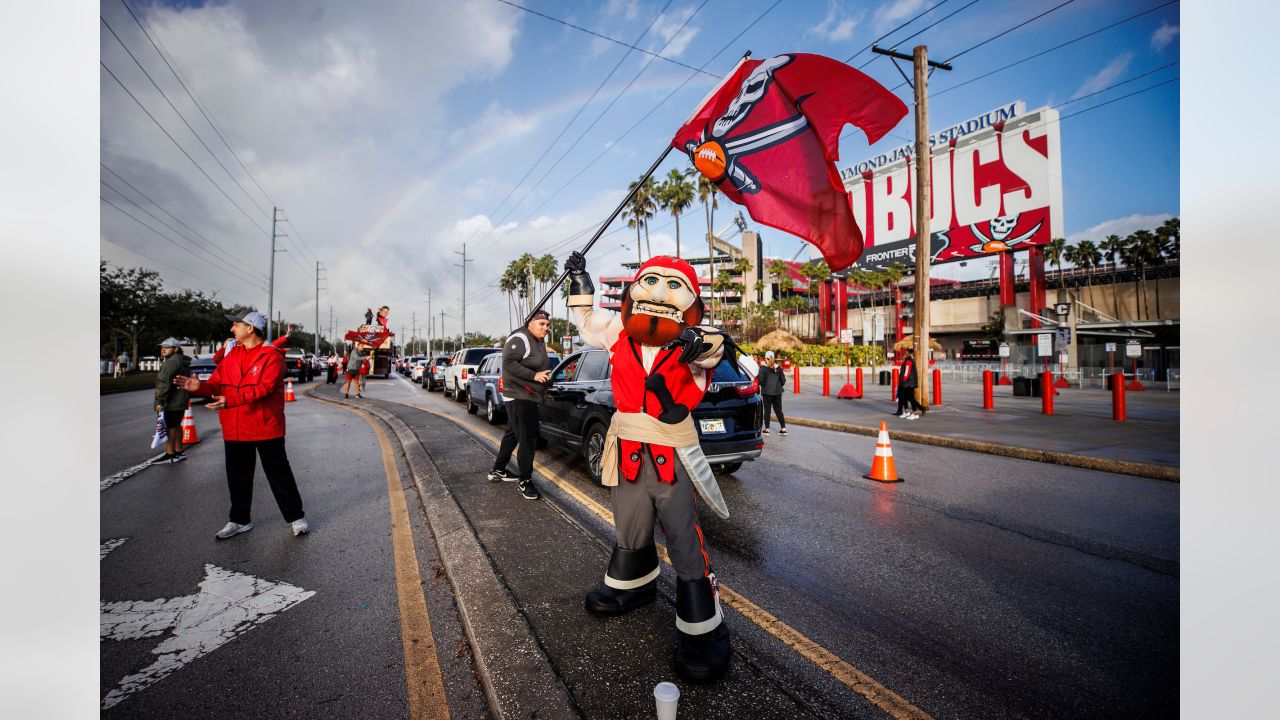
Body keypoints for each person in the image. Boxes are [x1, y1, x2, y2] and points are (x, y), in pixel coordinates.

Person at [566, 250, 733, 683]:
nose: (658, 291)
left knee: (681, 534)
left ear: (690, 299)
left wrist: (702, 341)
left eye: (673, 285)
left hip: (669, 452)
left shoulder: (691, 337)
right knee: (629, 522)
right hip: (627, 447)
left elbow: (713, 349)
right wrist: (580, 279)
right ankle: (632, 581)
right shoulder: (620, 330)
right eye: (650, 280)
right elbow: (587, 322)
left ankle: (703, 625)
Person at [174, 310, 308, 540]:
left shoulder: (272, 356)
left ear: (250, 328)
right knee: (237, 477)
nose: (231, 329)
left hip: (266, 426)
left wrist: (231, 400)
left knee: (278, 474)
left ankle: (296, 517)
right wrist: (200, 388)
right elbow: (216, 384)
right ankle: (239, 520)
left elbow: (264, 388)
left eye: (236, 325)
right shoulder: (231, 355)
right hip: (235, 427)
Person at [487, 310, 552, 500]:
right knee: (529, 438)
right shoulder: (520, 337)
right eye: (542, 324)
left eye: (548, 325)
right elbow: (508, 363)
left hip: (528, 394)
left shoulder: (537, 340)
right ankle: (525, 481)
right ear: (531, 323)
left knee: (513, 434)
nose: (546, 328)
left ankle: (498, 470)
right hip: (519, 395)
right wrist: (534, 376)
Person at [154, 337, 192, 463]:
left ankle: (170, 454)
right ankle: (179, 451)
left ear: (175, 349)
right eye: (162, 347)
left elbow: (164, 383)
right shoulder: (182, 360)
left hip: (172, 401)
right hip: (180, 399)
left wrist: (160, 401)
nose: (163, 350)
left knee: (170, 427)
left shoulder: (171, 362)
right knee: (176, 425)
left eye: (167, 347)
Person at [758, 350, 787, 435]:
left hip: (767, 393)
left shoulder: (763, 368)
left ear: (765, 358)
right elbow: (783, 381)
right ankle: (783, 429)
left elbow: (761, 381)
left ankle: (767, 429)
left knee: (767, 411)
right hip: (778, 392)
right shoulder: (778, 368)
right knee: (779, 411)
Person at [896, 348, 925, 420]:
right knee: (904, 398)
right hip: (906, 383)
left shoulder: (909, 361)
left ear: (909, 354)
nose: (904, 355)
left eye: (905, 353)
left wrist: (903, 381)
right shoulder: (906, 360)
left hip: (908, 383)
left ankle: (915, 413)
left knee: (911, 398)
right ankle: (906, 412)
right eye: (904, 353)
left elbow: (907, 372)